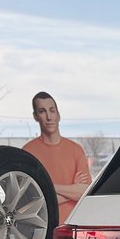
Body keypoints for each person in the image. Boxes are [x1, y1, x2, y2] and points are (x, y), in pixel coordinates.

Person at [22, 91, 92, 222]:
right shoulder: (27, 153)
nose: (49, 117)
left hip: (72, 226)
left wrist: (47, 187)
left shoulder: (75, 150)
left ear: (58, 115)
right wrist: (72, 190)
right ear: (35, 116)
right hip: (41, 230)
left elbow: (84, 192)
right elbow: (30, 202)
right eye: (42, 111)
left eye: (52, 110)